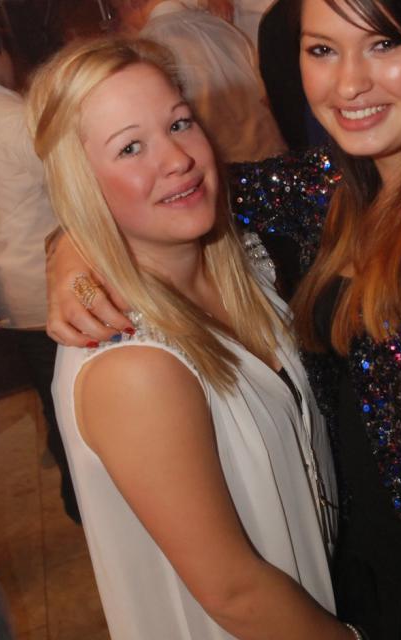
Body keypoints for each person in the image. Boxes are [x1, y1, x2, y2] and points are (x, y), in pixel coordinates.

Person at [46, 0, 401, 638]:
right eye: (322, 50)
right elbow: (177, 190)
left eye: (384, 44)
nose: (349, 84)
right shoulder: (339, 183)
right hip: (358, 593)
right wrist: (72, 247)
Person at [26, 36, 364, 640]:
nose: (177, 158)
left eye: (179, 123)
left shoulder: (249, 265)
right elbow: (235, 594)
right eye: (130, 147)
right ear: (82, 183)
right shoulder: (133, 367)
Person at [0, 38, 79, 523]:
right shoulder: (17, 120)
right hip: (52, 281)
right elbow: (76, 185)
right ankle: (87, 504)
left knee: (55, 403)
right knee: (75, 409)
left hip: (15, 289)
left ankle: (77, 503)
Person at [111, 0, 286, 162]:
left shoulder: (149, 52)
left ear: (130, 4)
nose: (123, 23)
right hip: (273, 154)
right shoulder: (223, 27)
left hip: (227, 169)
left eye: (119, 12)